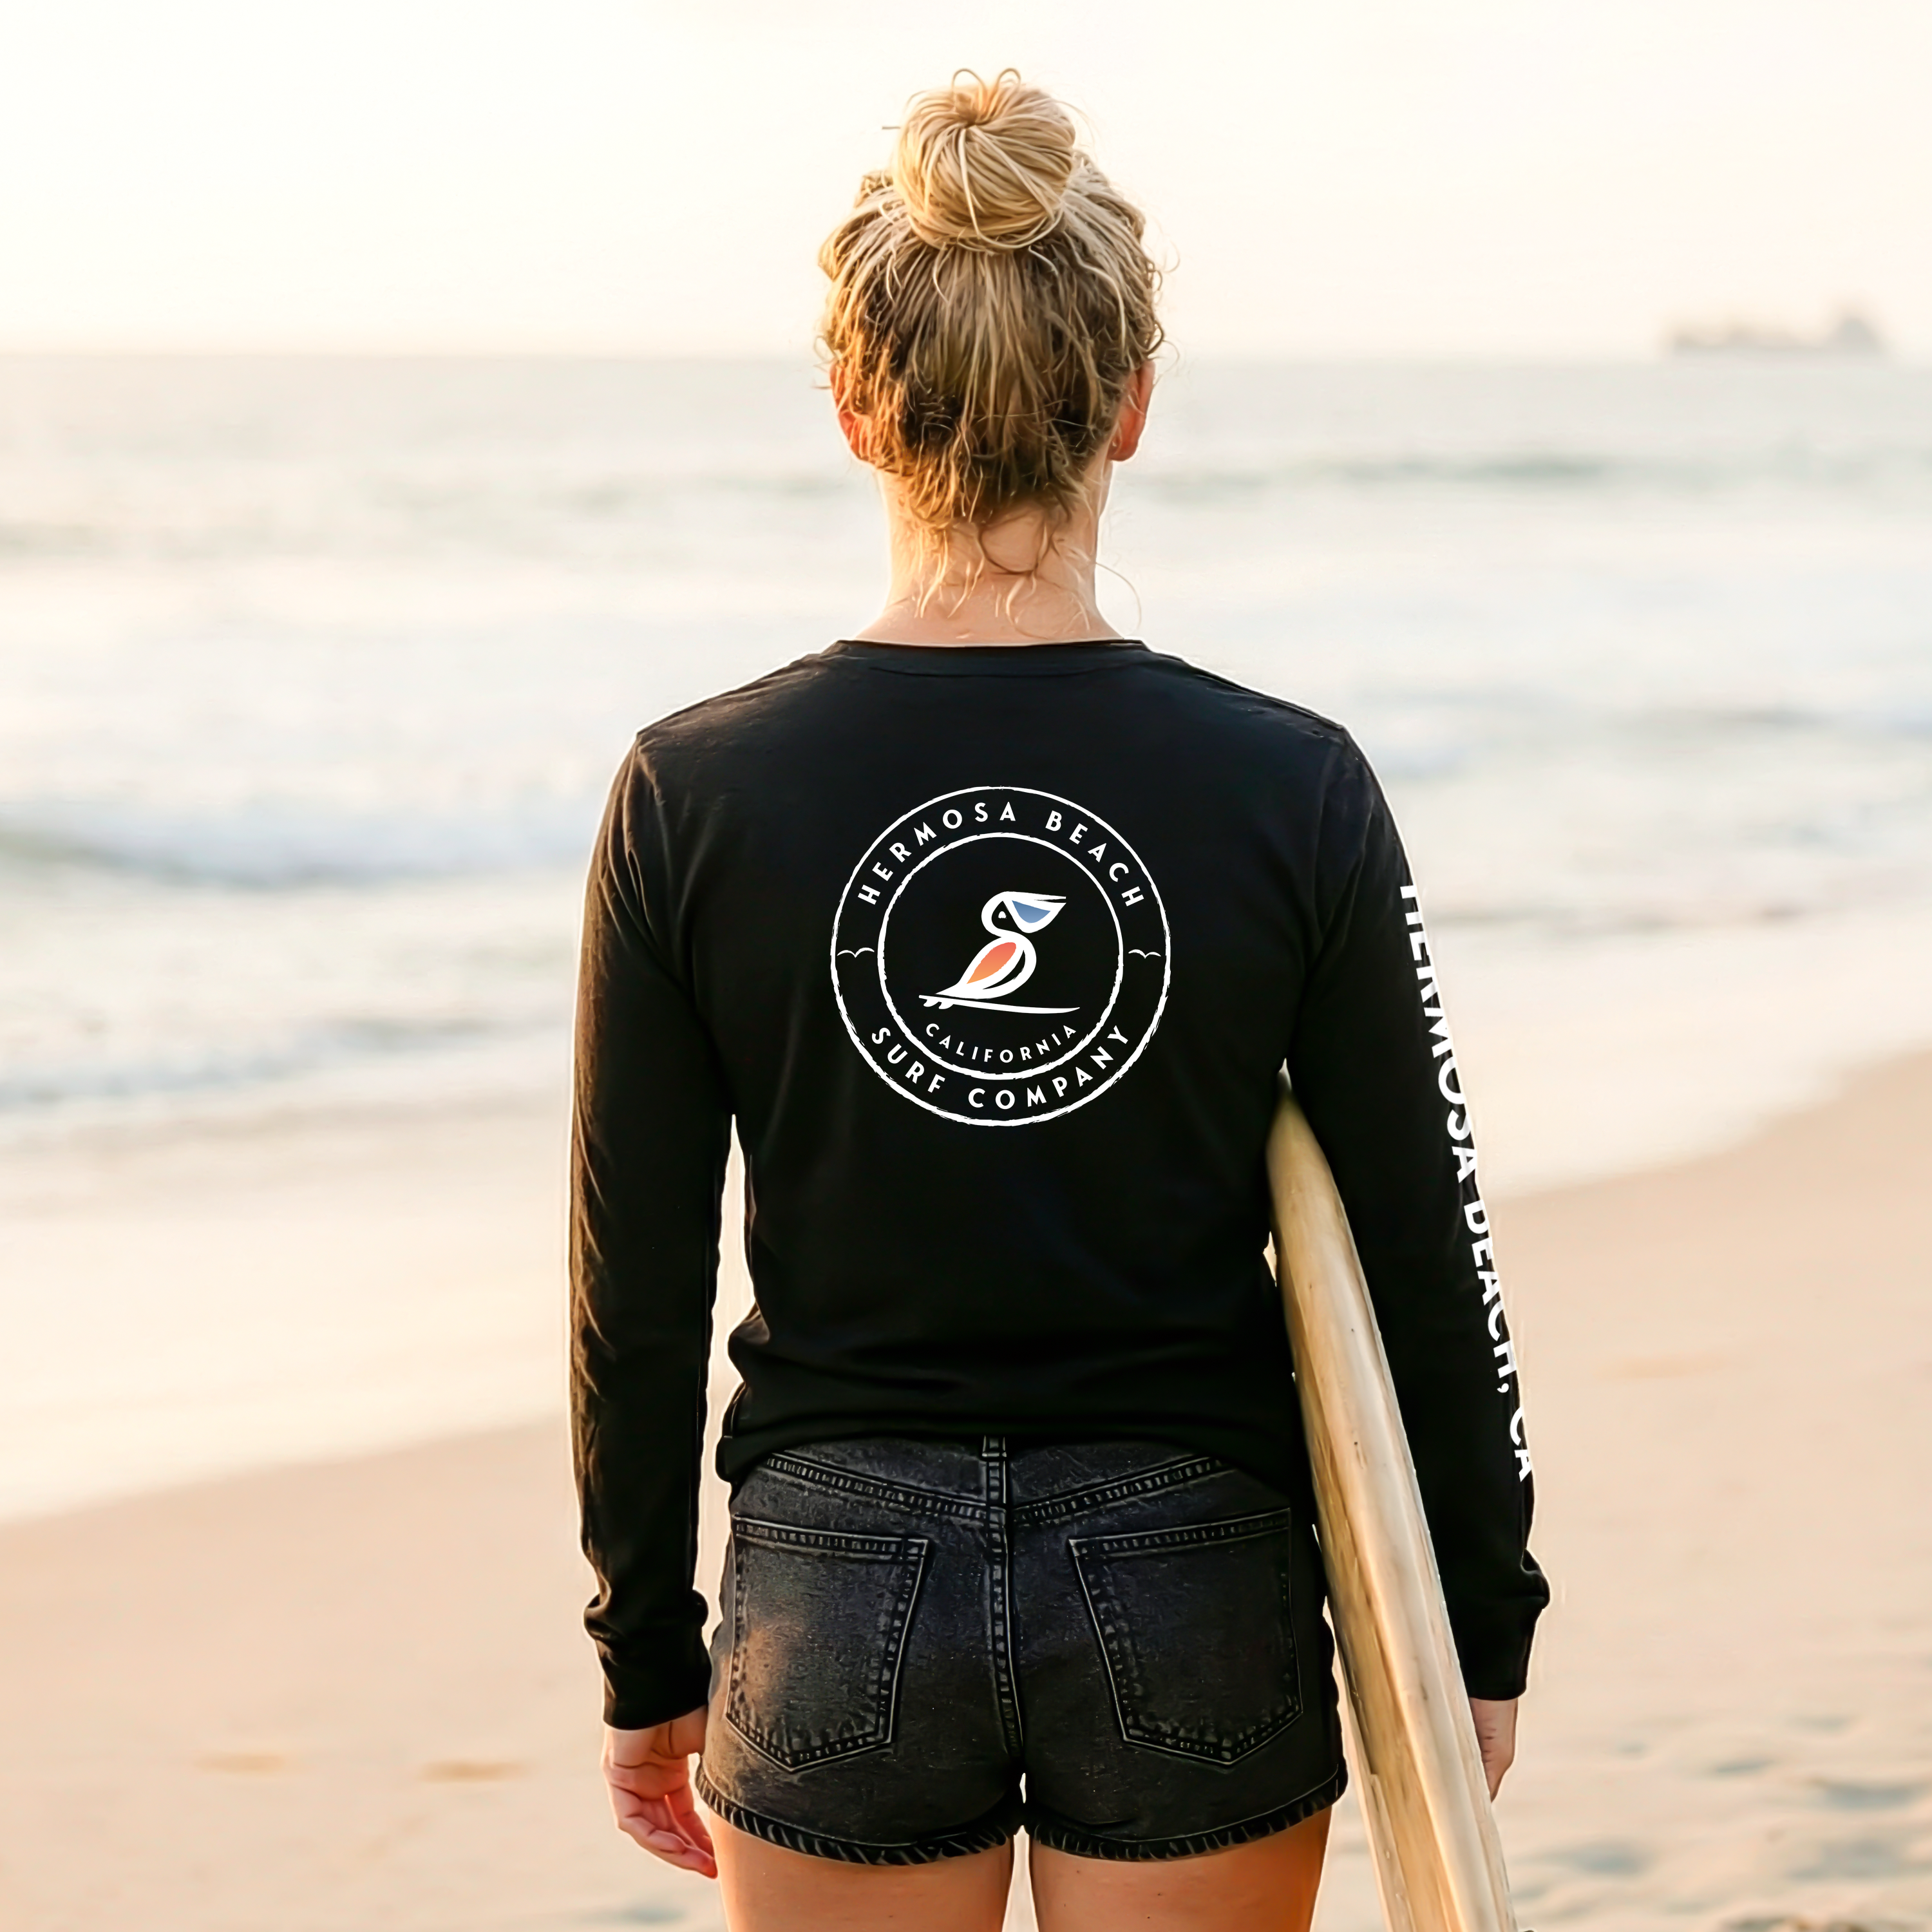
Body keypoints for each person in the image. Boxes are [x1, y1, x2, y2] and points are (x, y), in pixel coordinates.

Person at [570, 70, 1548, 1932]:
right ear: (1132, 406)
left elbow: (633, 1283)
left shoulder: (695, 791)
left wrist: (645, 1648)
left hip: (835, 1566)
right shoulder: (1291, 787)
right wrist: (1477, 1617)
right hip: (1193, 1552)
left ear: (857, 412)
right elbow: (1432, 1239)